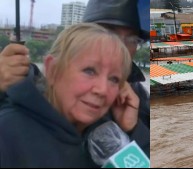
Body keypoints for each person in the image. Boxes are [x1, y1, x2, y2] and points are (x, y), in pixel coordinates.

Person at [0, 0, 150, 156]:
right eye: (89, 71)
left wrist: (134, 129)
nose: (118, 45)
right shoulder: (17, 121)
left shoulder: (137, 98)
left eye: (132, 40)